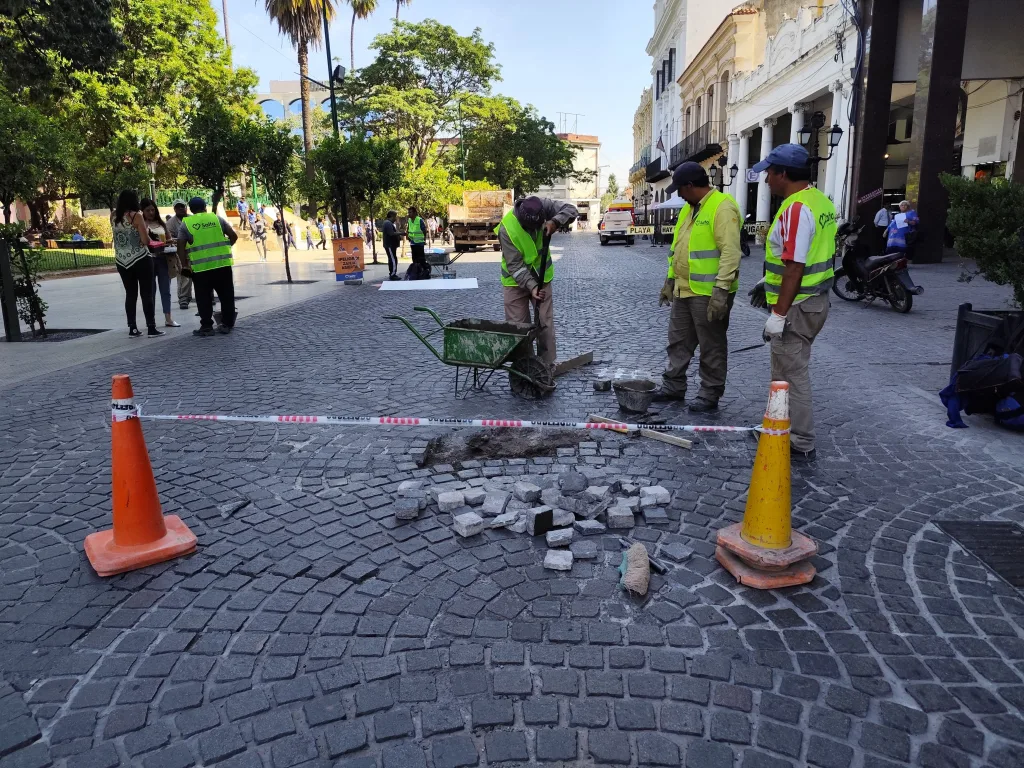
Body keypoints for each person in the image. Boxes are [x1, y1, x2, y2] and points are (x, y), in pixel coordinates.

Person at [751, 144, 836, 461]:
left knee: (790, 374)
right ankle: (780, 428)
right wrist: (767, 282)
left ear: (783, 174)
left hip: (798, 306)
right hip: (815, 300)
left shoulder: (796, 209)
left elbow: (796, 266)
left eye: (769, 173)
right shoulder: (820, 200)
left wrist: (778, 314)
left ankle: (799, 440)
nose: (766, 179)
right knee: (786, 371)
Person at [656, 162, 741, 412]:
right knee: (678, 341)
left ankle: (710, 392)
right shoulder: (688, 209)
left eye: (680, 190)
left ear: (691, 186)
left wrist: (721, 291)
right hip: (684, 290)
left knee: (711, 345)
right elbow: (677, 249)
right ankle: (673, 386)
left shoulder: (723, 207)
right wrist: (670, 280)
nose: (679, 195)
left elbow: (730, 253)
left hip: (709, 293)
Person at [496, 196, 578, 365]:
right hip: (514, 282)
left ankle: (546, 366)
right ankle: (524, 367)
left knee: (544, 323)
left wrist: (555, 221)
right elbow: (515, 266)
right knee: (518, 327)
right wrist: (532, 287)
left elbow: (571, 210)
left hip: (543, 276)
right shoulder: (506, 229)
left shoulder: (544, 206)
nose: (536, 232)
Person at [177, 196, 239, 337]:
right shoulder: (217, 219)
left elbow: (180, 245)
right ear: (205, 207)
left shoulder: (186, 223)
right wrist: (224, 248)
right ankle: (227, 324)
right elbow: (233, 236)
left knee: (203, 297)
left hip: (201, 268)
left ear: (190, 210)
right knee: (226, 295)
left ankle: (206, 326)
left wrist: (184, 265)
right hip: (222, 265)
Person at [112, 190, 163, 338]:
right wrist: (145, 234)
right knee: (146, 293)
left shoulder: (114, 216)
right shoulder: (137, 216)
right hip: (140, 258)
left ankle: (132, 328)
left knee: (130, 294)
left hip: (122, 260)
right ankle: (151, 327)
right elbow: (146, 241)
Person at [141, 198, 179, 328]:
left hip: (163, 259)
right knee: (150, 291)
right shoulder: (142, 224)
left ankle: (168, 318)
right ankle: (151, 320)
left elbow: (169, 238)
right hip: (149, 260)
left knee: (165, 290)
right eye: (147, 210)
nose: (151, 212)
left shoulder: (161, 224)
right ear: (143, 211)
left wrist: (170, 242)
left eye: (153, 209)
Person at [165, 199, 193, 309]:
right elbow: (168, 239)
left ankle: (207, 297)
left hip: (195, 252)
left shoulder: (192, 219)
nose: (181, 209)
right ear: (175, 209)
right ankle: (183, 298)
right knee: (184, 276)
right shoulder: (170, 223)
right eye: (178, 207)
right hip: (181, 253)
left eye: (183, 206)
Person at [406, 206, 428, 271]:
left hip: (419, 242)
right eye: (408, 212)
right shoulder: (409, 220)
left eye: (410, 212)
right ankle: (417, 270)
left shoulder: (419, 220)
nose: (409, 214)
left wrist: (424, 240)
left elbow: (424, 230)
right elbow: (409, 229)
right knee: (414, 258)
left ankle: (424, 270)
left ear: (415, 213)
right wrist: (409, 237)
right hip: (412, 242)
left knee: (421, 258)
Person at [382, 210, 400, 280]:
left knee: (393, 258)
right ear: (392, 216)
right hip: (390, 245)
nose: (396, 218)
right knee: (393, 259)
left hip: (391, 245)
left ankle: (393, 273)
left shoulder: (389, 223)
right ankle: (392, 274)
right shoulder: (388, 223)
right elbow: (391, 233)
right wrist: (400, 233)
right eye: (395, 217)